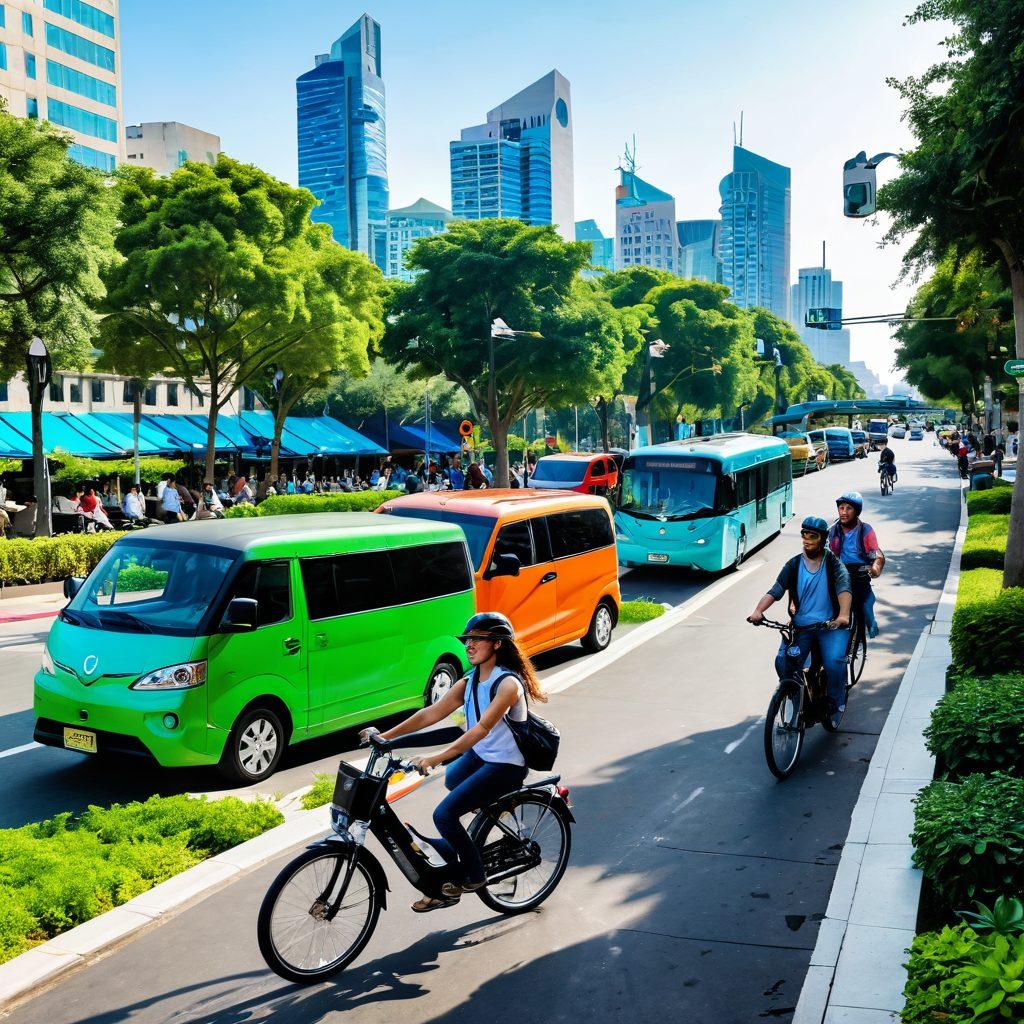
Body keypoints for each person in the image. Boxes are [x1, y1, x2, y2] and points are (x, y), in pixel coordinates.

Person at [359, 612, 540, 912]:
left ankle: (475, 874)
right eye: (467, 639)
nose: (469, 645)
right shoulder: (469, 682)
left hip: (506, 765)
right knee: (452, 781)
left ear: (497, 644)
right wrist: (385, 737)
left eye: (477, 639)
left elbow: (480, 729)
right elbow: (430, 714)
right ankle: (464, 841)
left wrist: (435, 758)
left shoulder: (508, 685)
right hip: (482, 756)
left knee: (444, 815)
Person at [748, 516, 852, 726]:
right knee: (783, 662)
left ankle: (835, 700)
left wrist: (843, 615)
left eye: (812, 536)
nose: (806, 540)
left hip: (830, 626)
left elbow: (844, 589)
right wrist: (758, 610)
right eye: (804, 534)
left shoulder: (833, 564)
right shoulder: (794, 564)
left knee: (834, 663)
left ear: (822, 539)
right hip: (801, 627)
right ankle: (797, 696)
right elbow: (776, 590)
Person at [827, 491, 885, 639]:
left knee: (864, 602)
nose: (844, 512)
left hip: (859, 573)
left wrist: (875, 568)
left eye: (848, 508)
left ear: (857, 511)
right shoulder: (833, 529)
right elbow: (825, 550)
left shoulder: (865, 530)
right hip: (839, 573)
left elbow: (876, 553)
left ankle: (871, 622)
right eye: (841, 508)